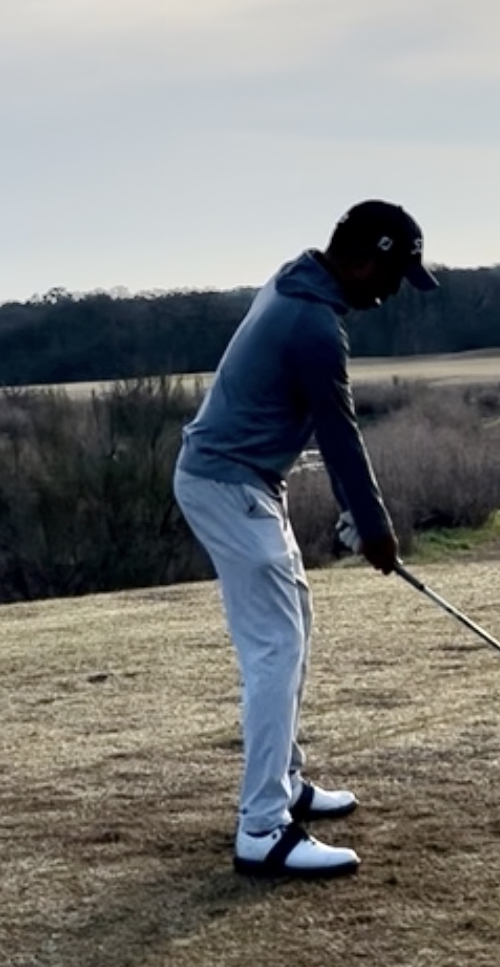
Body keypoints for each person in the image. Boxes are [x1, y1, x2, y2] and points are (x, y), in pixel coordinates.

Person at [173, 200, 439, 879]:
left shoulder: (298, 281)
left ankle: (285, 784)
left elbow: (326, 428)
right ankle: (262, 828)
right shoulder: (312, 324)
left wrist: (358, 516)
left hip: (246, 483)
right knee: (275, 649)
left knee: (295, 625)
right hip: (228, 484)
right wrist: (374, 528)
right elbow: (339, 433)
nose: (390, 293)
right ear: (365, 258)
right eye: (392, 276)